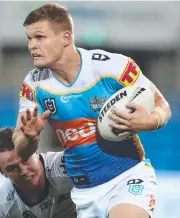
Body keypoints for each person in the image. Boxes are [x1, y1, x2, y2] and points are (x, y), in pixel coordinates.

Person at [13, 3, 171, 218]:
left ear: (66, 38)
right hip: (83, 193)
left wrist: (152, 121)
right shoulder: (33, 85)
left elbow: (161, 104)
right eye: (29, 38)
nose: (32, 45)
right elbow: (21, 150)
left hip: (127, 178)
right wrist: (30, 137)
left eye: (39, 37)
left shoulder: (112, 67)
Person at [0, 127, 76, 218]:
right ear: (3, 173)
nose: (24, 171)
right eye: (12, 168)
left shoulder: (69, 166)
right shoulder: (3, 206)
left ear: (35, 152)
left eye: (25, 159)